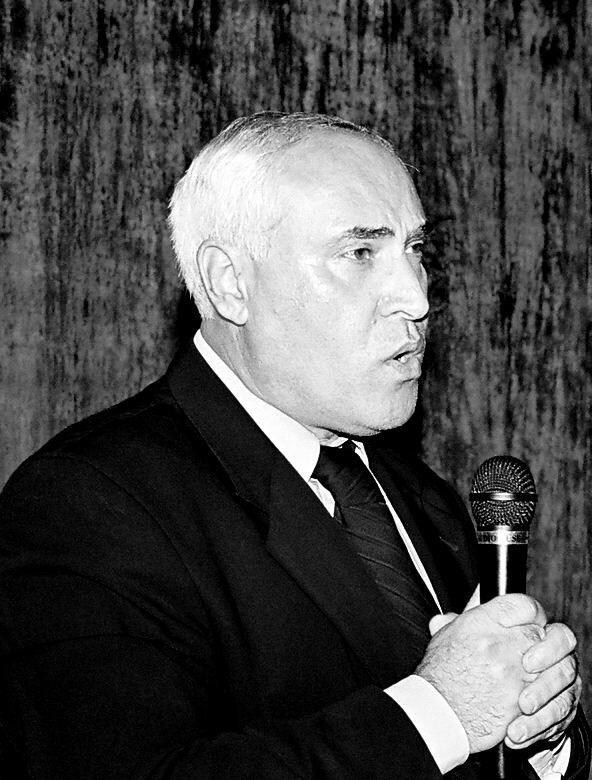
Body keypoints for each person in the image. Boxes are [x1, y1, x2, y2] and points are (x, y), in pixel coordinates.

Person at [0, 112, 589, 779]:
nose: (416, 298)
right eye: (359, 253)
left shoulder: (424, 499)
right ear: (230, 283)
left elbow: (481, 723)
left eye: (416, 250)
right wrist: (439, 713)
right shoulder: (88, 501)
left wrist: (541, 737)